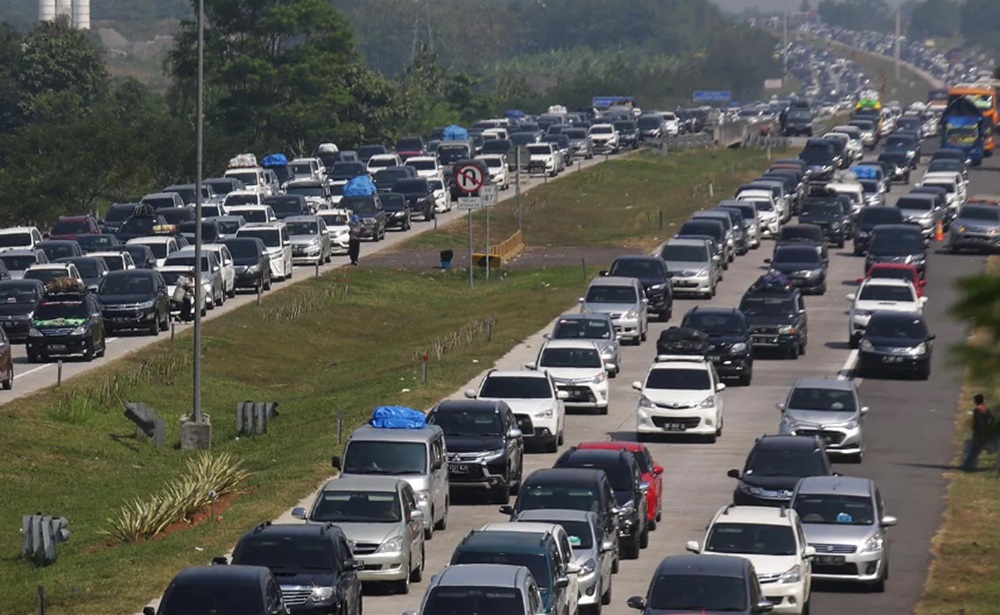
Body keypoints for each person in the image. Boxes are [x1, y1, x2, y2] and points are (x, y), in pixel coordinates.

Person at [962, 393, 994, 471]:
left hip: (979, 433)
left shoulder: (977, 410)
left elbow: (977, 422)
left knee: (972, 449)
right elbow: (992, 419)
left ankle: (968, 466)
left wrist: (975, 430)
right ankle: (969, 465)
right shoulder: (986, 409)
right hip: (986, 432)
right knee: (975, 449)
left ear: (976, 401)